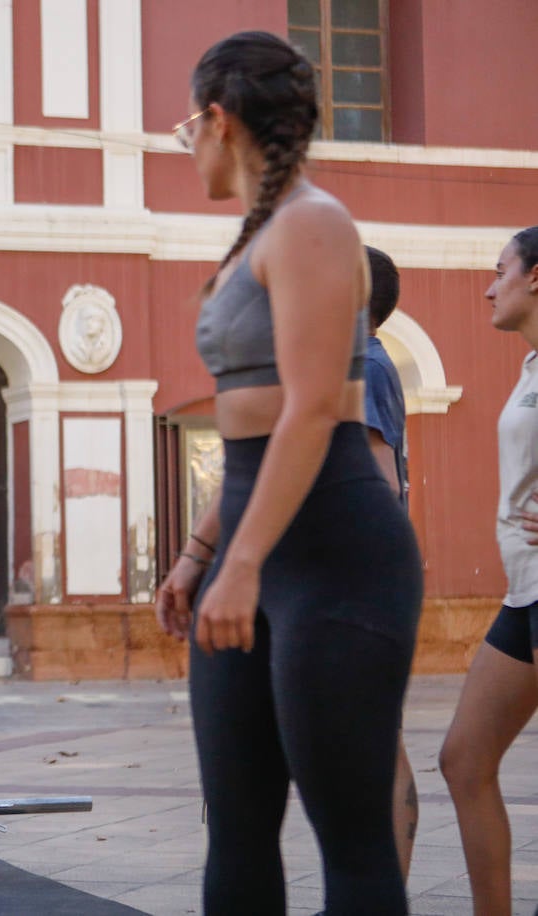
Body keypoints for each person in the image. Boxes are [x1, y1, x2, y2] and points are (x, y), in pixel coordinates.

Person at [152, 31, 422, 913]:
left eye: (189, 122)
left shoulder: (312, 222)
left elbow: (310, 411)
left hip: (338, 561)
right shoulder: (256, 236)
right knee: (235, 832)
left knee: (352, 846)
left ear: (220, 121)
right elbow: (247, 440)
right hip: (257, 554)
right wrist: (200, 554)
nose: (185, 140)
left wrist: (241, 564)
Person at [439, 226, 538, 915]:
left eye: (500, 269)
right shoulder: (532, 368)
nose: (488, 284)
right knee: (463, 758)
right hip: (526, 593)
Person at [361, 246, 419, 879]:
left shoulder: (367, 367)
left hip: (367, 585)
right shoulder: (356, 363)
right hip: (366, 582)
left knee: (381, 745)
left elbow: (383, 485)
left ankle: (384, 897)